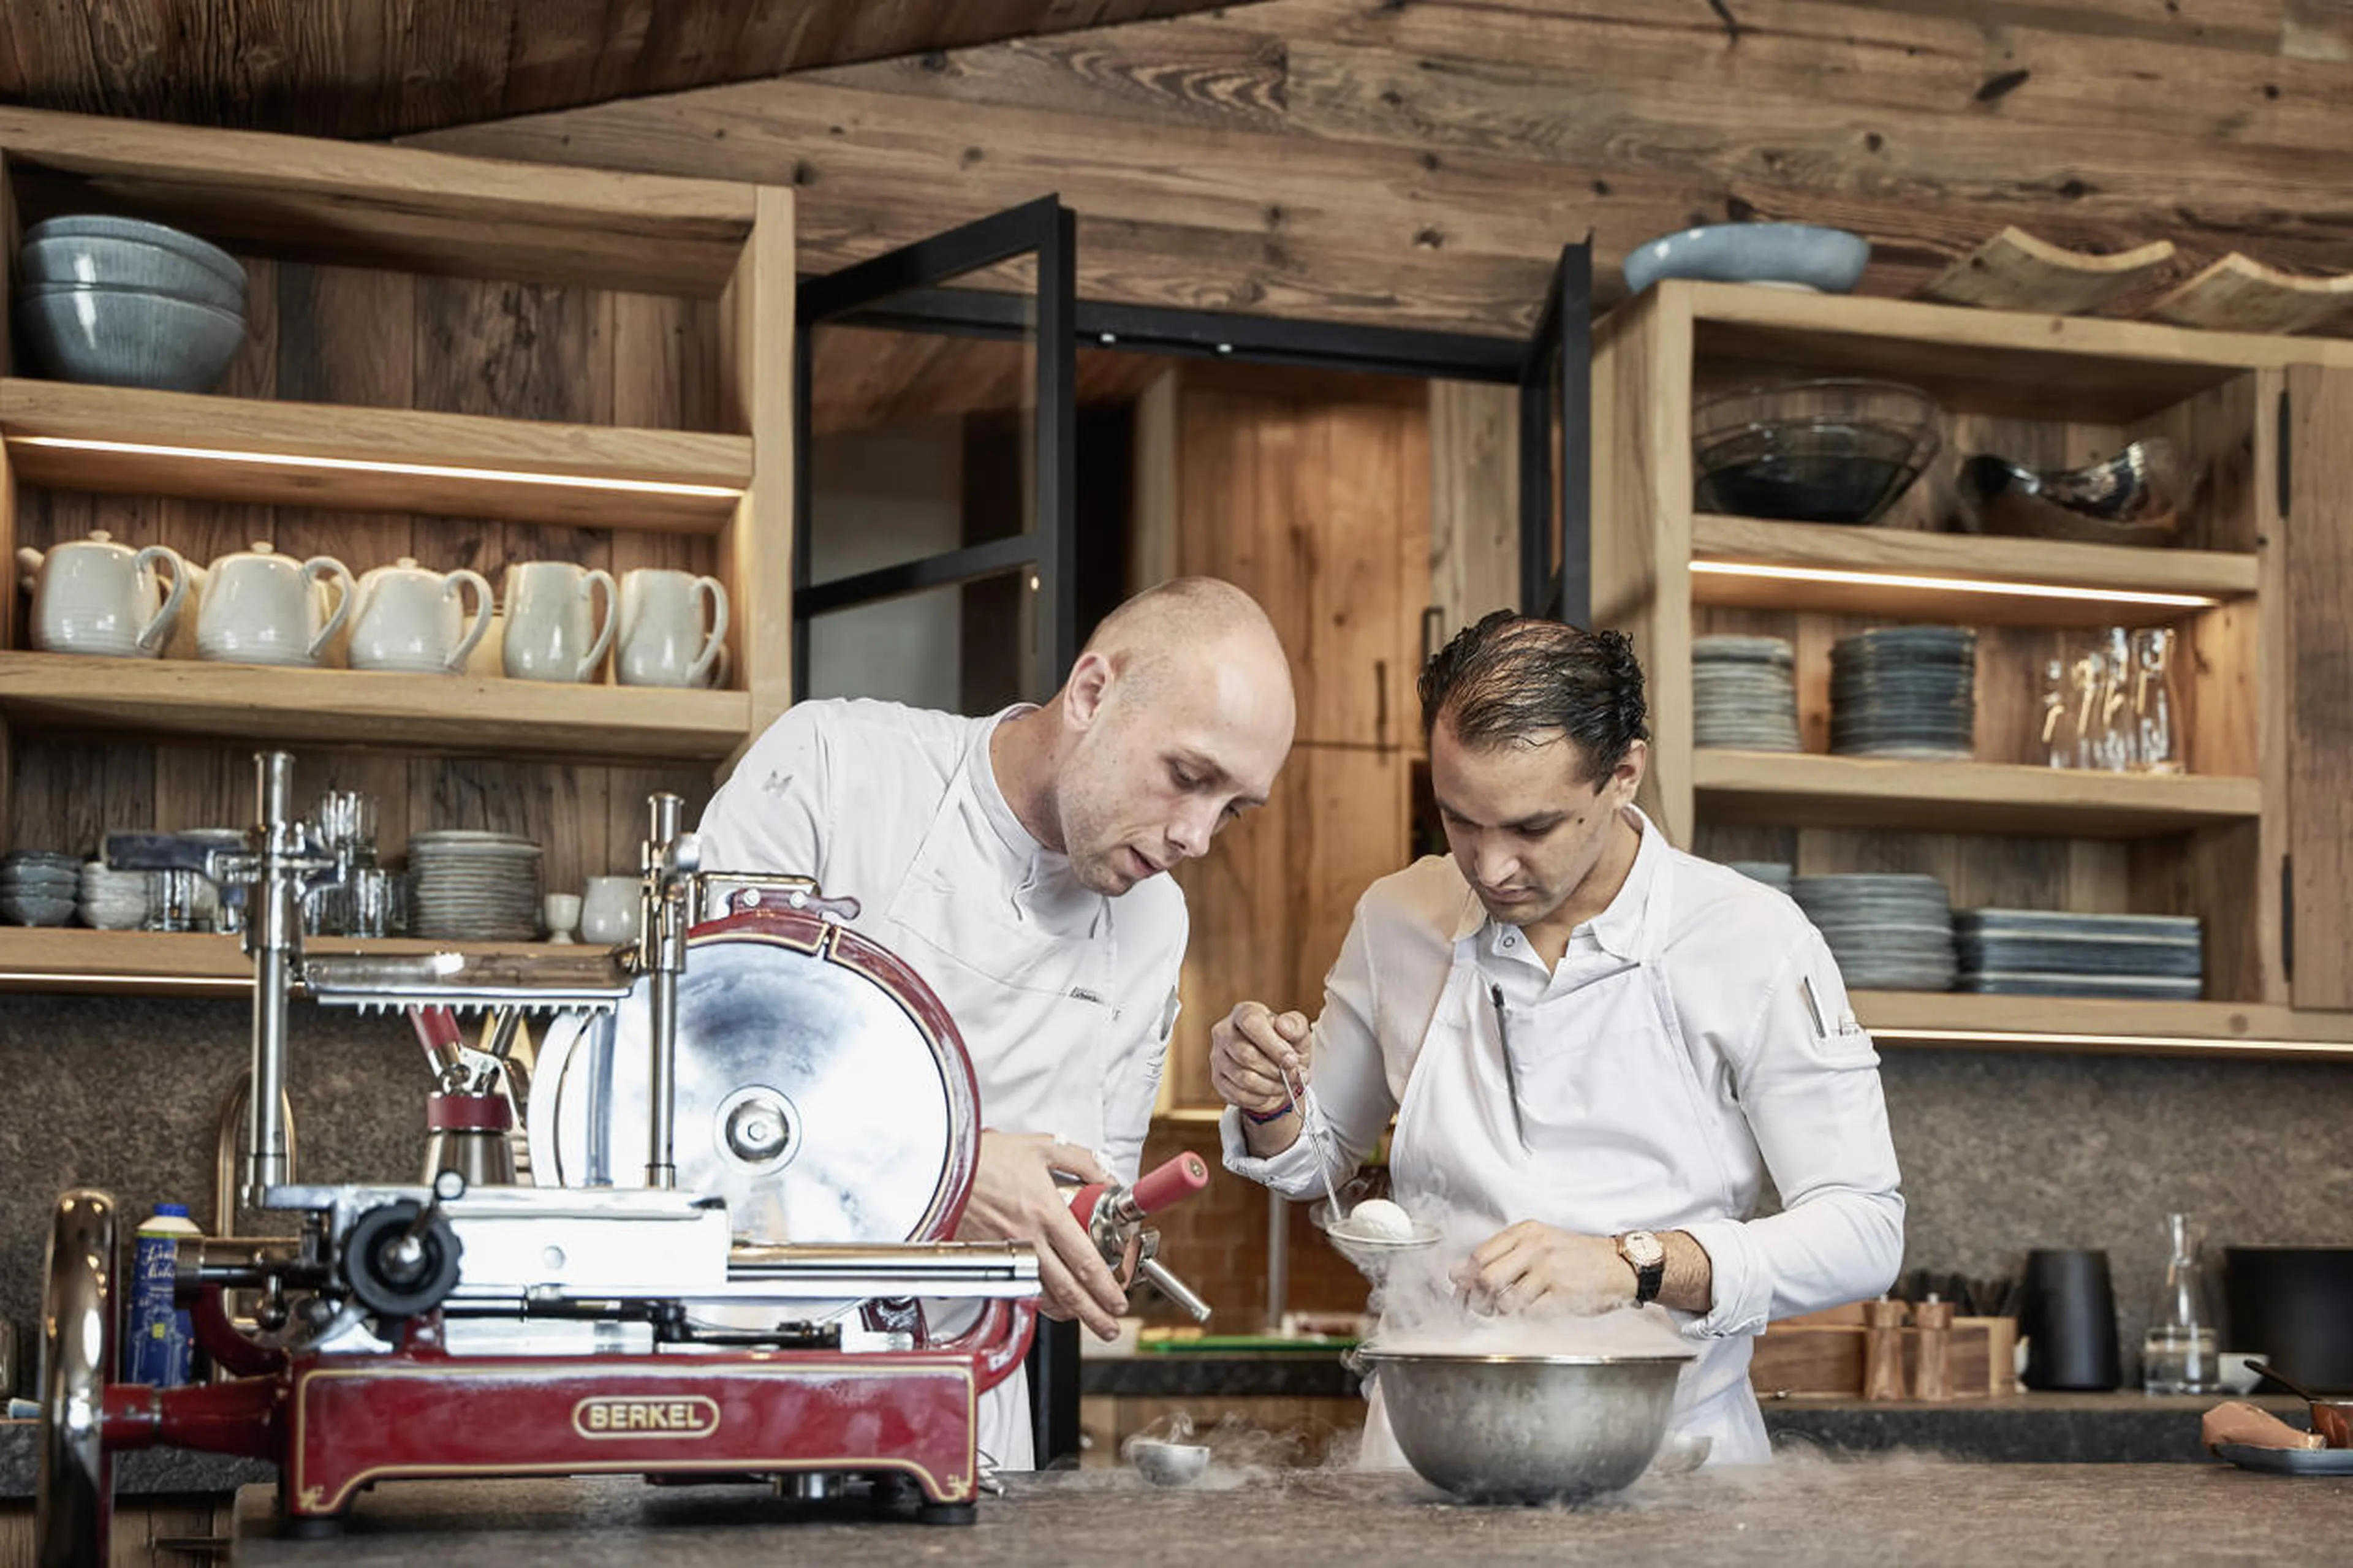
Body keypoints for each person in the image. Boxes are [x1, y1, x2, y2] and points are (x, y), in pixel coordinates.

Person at [1209, 611, 1903, 1465]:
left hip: (1672, 1458)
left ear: (1623, 775)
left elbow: (1864, 1227)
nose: (1491, 866)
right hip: (1428, 1450)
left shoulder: (1752, 938)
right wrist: (1270, 1096)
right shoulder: (1397, 918)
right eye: (1460, 820)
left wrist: (1633, 1263)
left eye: (1533, 828)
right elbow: (1316, 1158)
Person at [695, 576, 1296, 1469]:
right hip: (744, 1388)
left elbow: (1091, 1191)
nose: (1197, 838)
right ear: (1092, 693)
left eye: (1232, 809)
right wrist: (956, 1170)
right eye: (1187, 777)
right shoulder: (830, 767)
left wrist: (1095, 1242)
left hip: (969, 1420)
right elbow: (700, 1085)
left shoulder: (1153, 919)